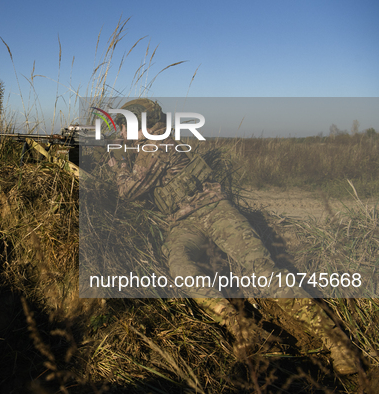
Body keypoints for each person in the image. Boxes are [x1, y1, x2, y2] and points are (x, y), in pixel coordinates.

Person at [107, 98, 359, 375]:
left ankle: (337, 343)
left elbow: (128, 193)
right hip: (182, 222)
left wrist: (117, 164)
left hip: (215, 210)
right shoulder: (146, 147)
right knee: (181, 268)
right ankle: (238, 325)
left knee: (263, 271)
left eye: (123, 125)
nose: (120, 131)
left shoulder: (157, 145)